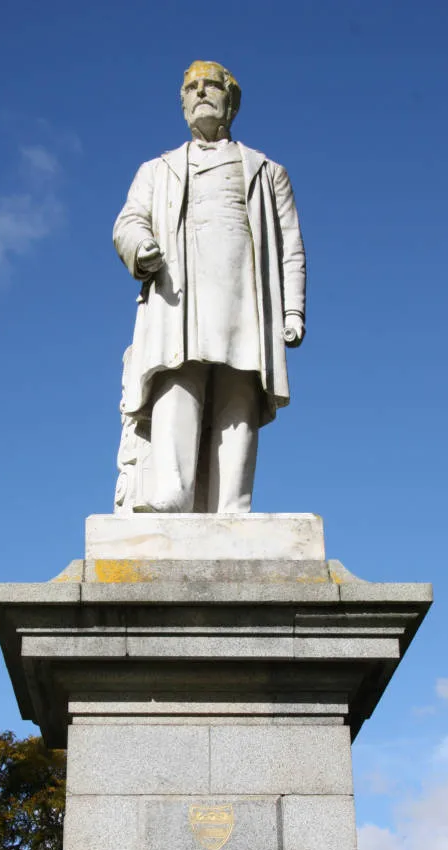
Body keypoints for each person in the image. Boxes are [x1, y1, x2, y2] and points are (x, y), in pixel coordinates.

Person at [113, 60, 306, 514]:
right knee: (177, 380)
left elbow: (290, 248)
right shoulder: (156, 170)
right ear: (182, 103)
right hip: (178, 292)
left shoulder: (267, 171)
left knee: (239, 388)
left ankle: (232, 506)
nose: (201, 93)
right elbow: (129, 220)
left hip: (245, 293)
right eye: (191, 88)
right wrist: (140, 246)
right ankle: (173, 493)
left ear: (230, 101)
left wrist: (292, 311)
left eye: (211, 86)